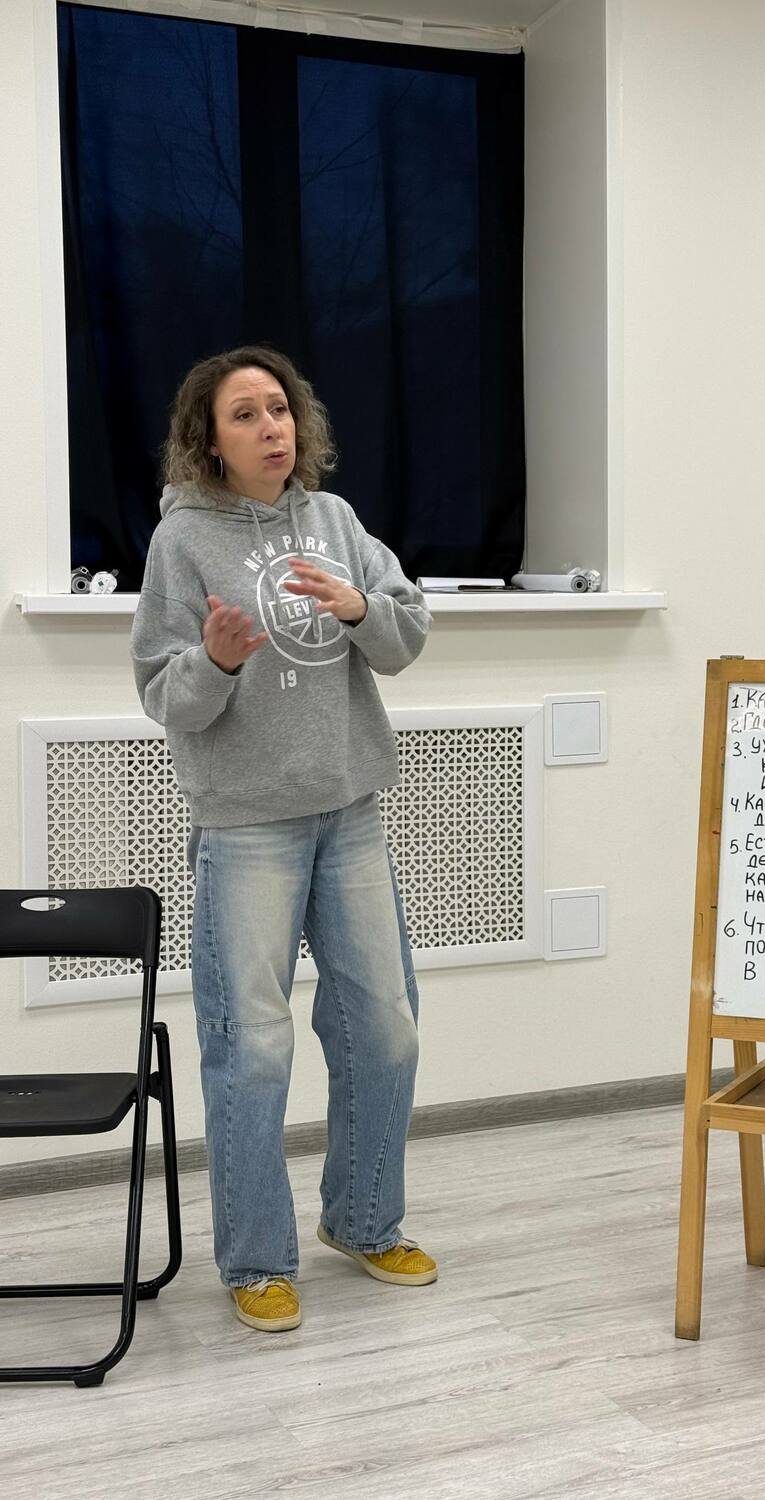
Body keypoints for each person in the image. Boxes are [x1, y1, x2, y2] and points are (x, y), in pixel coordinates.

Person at [131, 346, 435, 1332]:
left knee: (384, 1029)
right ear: (208, 441)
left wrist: (360, 607)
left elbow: (405, 634)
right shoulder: (182, 543)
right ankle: (257, 1257)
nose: (271, 428)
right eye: (245, 415)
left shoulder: (336, 523)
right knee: (252, 1048)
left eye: (279, 409)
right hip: (246, 827)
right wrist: (215, 663)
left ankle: (365, 1220)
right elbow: (163, 694)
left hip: (350, 812)